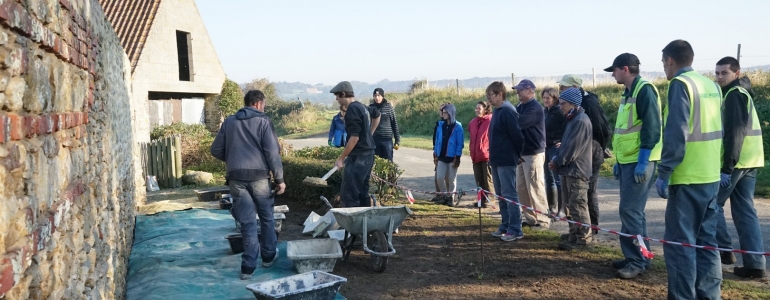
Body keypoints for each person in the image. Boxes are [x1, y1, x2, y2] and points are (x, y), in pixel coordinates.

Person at [655, 39, 723, 299]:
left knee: (680, 246)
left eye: (663, 63)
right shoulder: (711, 85)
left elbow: (676, 133)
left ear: (670, 60)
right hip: (710, 174)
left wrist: (664, 172)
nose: (664, 68)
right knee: (707, 244)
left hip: (686, 177)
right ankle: (710, 295)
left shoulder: (680, 85)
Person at [210, 90, 287, 280]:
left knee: (247, 223)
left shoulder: (229, 122)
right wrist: (279, 180)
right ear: (259, 103)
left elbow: (215, 149)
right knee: (267, 217)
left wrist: (233, 160)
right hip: (260, 178)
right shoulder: (264, 122)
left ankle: (247, 268)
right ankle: (268, 257)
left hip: (236, 179)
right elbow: (272, 153)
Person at [605, 53, 663, 279]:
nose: (612, 74)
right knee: (634, 212)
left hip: (640, 161)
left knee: (629, 211)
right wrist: (620, 161)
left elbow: (651, 127)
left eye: (615, 70)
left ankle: (636, 260)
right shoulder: (628, 93)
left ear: (626, 69)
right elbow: (624, 131)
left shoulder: (644, 90)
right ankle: (640, 256)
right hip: (628, 161)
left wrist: (642, 161)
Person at [713, 56, 766, 278]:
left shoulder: (734, 95)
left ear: (737, 73)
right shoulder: (742, 93)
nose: (719, 77)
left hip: (737, 162)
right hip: (751, 160)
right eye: (716, 73)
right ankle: (755, 265)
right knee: (745, 212)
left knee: (711, 204)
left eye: (724, 73)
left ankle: (725, 251)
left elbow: (735, 133)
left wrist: (727, 167)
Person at [558, 74, 609, 233]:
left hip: (589, 154)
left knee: (587, 192)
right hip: (578, 153)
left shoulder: (588, 104)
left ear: (574, 88)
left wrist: (596, 149)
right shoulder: (572, 109)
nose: (561, 90)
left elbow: (602, 129)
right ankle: (576, 230)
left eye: (564, 87)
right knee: (574, 196)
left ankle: (590, 230)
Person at [549, 88, 593, 251]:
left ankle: (583, 240)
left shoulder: (580, 121)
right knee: (569, 204)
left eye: (563, 104)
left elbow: (572, 149)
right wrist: (557, 158)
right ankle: (573, 234)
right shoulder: (572, 119)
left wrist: (558, 161)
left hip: (577, 170)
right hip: (568, 170)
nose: (561, 107)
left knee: (578, 205)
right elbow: (566, 144)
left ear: (573, 104)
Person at [330, 81, 381, 208]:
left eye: (337, 96)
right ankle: (364, 225)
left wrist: (341, 159)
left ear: (343, 94)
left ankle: (352, 227)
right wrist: (370, 133)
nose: (336, 99)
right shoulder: (361, 106)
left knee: (349, 195)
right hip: (368, 155)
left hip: (358, 157)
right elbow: (377, 114)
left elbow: (354, 138)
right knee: (363, 193)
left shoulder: (351, 110)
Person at [486, 81, 525, 242]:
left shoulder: (508, 112)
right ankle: (505, 224)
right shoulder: (497, 111)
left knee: (509, 194)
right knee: (501, 194)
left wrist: (516, 155)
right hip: (496, 159)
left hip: (506, 159)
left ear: (500, 94)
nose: (488, 99)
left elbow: (518, 137)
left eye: (491, 95)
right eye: (487, 96)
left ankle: (516, 228)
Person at [513, 80, 550, 229]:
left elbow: (518, 123)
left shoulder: (534, 108)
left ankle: (542, 219)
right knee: (521, 187)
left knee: (535, 186)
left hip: (533, 153)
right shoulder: (519, 107)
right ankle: (530, 218)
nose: (518, 93)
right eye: (517, 90)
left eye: (520, 90)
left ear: (530, 91)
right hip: (522, 153)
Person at [433, 103, 464, 206]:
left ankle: (451, 197)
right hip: (441, 157)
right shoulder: (440, 125)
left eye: (445, 112)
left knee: (451, 179)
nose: (443, 114)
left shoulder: (458, 127)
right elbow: (437, 139)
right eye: (443, 112)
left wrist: (458, 157)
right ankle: (444, 195)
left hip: (452, 157)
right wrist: (435, 153)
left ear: (451, 113)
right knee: (439, 178)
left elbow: (460, 144)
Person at [542, 87, 566, 217]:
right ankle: (552, 208)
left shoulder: (559, 111)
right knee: (548, 178)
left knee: (558, 179)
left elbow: (568, 126)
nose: (546, 100)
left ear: (555, 98)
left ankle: (562, 210)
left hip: (555, 148)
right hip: (545, 147)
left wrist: (563, 140)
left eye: (548, 98)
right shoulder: (545, 111)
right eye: (544, 97)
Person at [469, 101, 494, 208]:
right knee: (479, 179)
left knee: (488, 179)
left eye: (479, 108)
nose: (476, 110)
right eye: (476, 108)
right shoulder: (473, 122)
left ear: (485, 109)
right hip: (475, 155)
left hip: (487, 155)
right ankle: (481, 199)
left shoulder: (491, 120)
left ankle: (489, 200)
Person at [369, 88, 401, 161]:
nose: (377, 98)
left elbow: (394, 123)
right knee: (375, 162)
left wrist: (397, 140)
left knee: (388, 162)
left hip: (387, 140)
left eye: (379, 95)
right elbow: (367, 124)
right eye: (375, 95)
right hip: (374, 139)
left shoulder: (389, 107)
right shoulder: (371, 108)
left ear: (382, 96)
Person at [431, 103, 450, 201]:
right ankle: (439, 195)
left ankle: (447, 196)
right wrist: (434, 151)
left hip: (447, 154)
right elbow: (435, 139)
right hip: (437, 151)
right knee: (437, 175)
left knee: (447, 176)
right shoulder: (438, 123)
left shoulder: (451, 124)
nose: (442, 113)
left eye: (443, 110)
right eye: (440, 110)